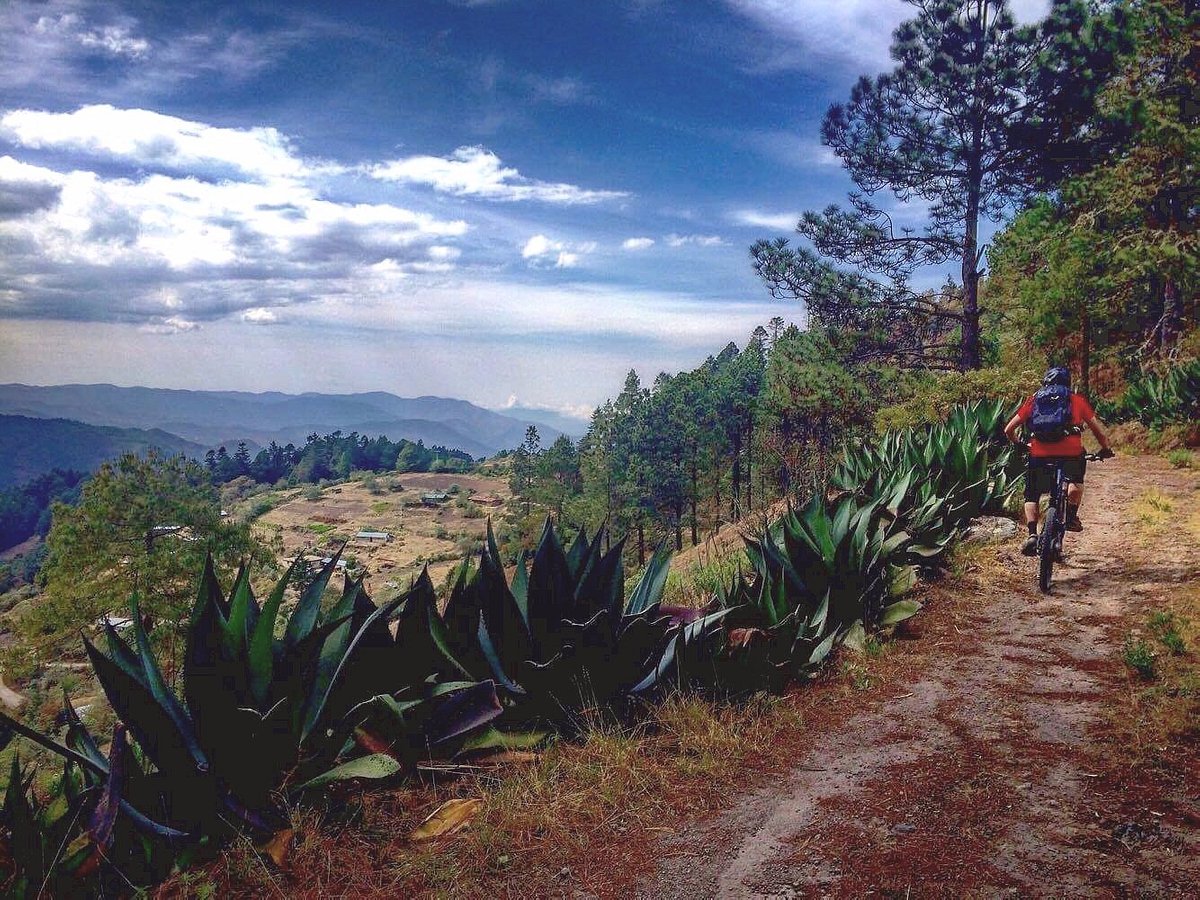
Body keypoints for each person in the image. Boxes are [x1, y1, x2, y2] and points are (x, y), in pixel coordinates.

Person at [1004, 366, 1115, 556]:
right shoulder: (1076, 400)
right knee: (1076, 481)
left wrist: (1021, 444)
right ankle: (1071, 517)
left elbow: (1008, 429)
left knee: (1032, 494)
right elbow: (1097, 430)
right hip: (1070, 454)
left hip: (1039, 453)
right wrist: (1105, 449)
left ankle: (1032, 534)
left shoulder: (1034, 399)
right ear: (1067, 383)